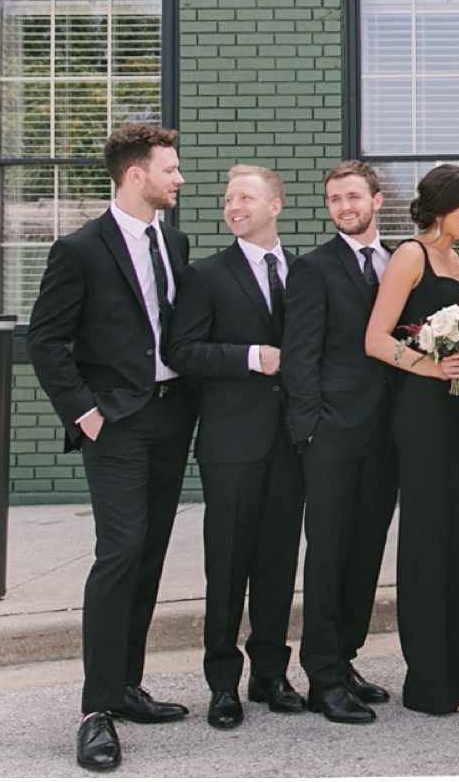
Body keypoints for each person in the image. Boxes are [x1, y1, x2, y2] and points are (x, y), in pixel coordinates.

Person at [25, 123, 195, 773]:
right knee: (120, 552)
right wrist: (86, 413)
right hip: (116, 423)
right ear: (135, 174)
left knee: (148, 554)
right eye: (170, 169)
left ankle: (127, 685)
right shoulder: (79, 249)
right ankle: (95, 710)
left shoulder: (174, 241)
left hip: (171, 418)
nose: (179, 178)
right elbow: (45, 340)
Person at [165, 165, 307, 729]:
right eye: (228, 199)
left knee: (278, 562)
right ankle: (222, 683)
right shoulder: (204, 275)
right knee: (226, 566)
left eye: (245, 197)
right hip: (231, 443)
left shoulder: (302, 271)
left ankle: (270, 674)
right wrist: (252, 357)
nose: (233, 206)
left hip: (291, 441)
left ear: (275, 205)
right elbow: (181, 351)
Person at [362, 165, 459, 715]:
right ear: (441, 209)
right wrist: (431, 367)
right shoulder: (410, 256)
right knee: (430, 538)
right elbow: (374, 338)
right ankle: (431, 680)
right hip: (422, 412)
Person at [281, 161, 398, 725]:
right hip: (331, 434)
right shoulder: (312, 268)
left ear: (377, 201)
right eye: (334, 199)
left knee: (366, 550)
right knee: (328, 554)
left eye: (353, 196)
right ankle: (323, 677)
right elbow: (299, 353)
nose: (344, 207)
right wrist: (310, 427)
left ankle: (346, 658)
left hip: (386, 434)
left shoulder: (399, 261)